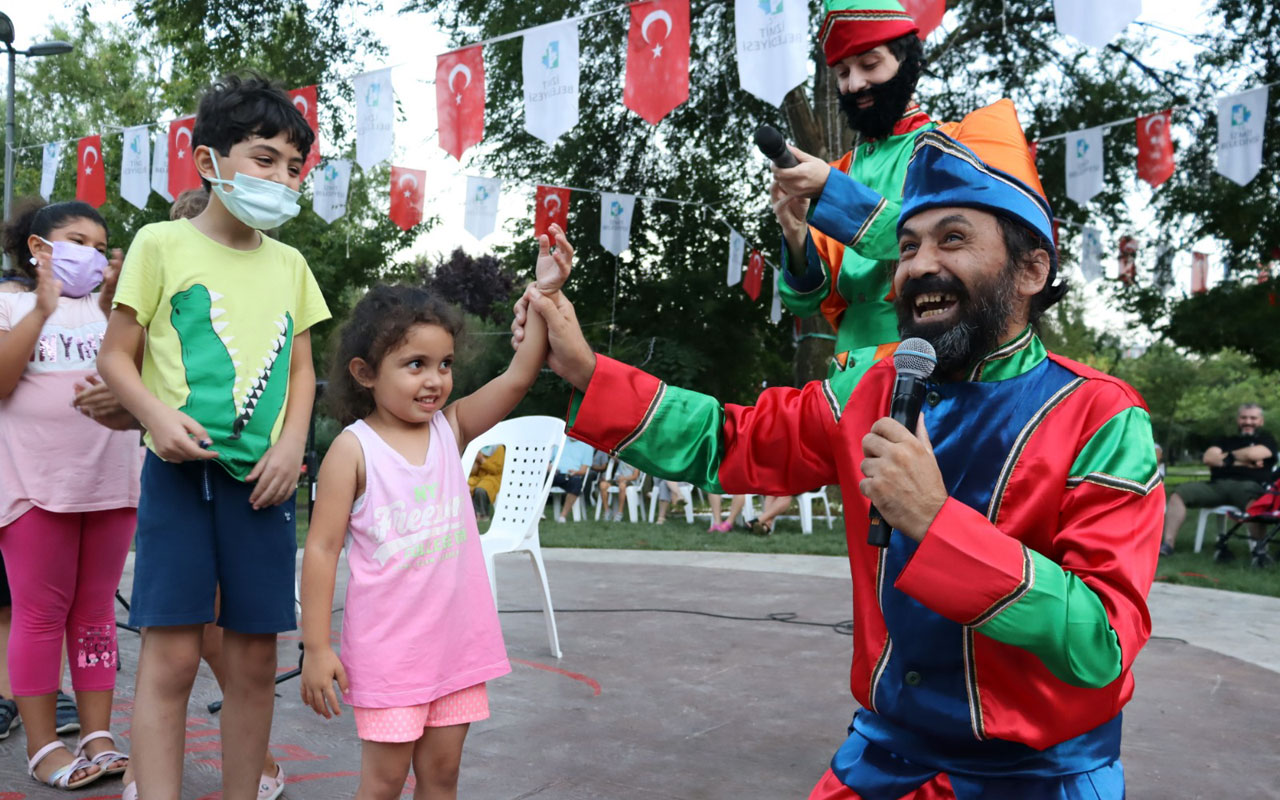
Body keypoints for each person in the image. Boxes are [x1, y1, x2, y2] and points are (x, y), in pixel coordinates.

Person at [519, 100, 1162, 798]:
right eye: (908, 246)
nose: (920, 266)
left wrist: (936, 522)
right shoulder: (871, 390)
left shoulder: (1103, 416)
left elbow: (1102, 640)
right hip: (883, 761)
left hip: (1041, 777)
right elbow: (729, 441)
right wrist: (586, 372)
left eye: (952, 240)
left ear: (1032, 271)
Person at [97, 74, 328, 800]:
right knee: (168, 662)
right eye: (264, 159)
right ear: (208, 163)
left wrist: (293, 446)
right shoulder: (159, 243)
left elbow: (303, 373)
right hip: (178, 480)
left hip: (265, 487)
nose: (281, 178)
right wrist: (156, 418)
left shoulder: (290, 264)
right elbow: (115, 355)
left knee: (255, 663)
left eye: (293, 167)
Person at [297, 225, 571, 799]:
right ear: (365, 373)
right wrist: (317, 647)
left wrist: (544, 295)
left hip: (458, 648)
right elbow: (321, 551)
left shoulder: (453, 427)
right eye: (415, 364)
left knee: (442, 776)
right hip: (390, 657)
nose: (434, 379)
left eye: (444, 364)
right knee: (384, 783)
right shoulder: (352, 451)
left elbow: (519, 376)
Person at [0, 200, 138, 790]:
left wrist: (115, 310)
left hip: (110, 483)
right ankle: (42, 745)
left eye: (98, 242)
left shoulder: (112, 312)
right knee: (38, 614)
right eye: (75, 238)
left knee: (95, 613)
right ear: (39, 248)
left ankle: (96, 734)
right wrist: (41, 310)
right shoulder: (9, 303)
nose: (90, 250)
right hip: (35, 487)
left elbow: (140, 378)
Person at [773, 0, 937, 378]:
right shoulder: (840, 170)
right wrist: (795, 232)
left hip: (921, 363)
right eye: (843, 72)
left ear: (906, 63)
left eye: (870, 64)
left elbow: (933, 243)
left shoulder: (943, 148)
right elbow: (806, 301)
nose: (855, 84)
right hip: (846, 372)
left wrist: (830, 189)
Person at [1160, 403, 1276, 555]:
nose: (1248, 422)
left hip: (1249, 486)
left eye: (1253, 418)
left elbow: (1254, 454)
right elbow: (1209, 458)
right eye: (1244, 418)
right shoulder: (1224, 439)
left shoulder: (1267, 439)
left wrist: (1228, 458)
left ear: (1260, 421)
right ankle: (1167, 545)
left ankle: (1259, 551)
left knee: (1257, 504)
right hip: (1216, 486)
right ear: (1238, 420)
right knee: (1179, 494)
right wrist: (1245, 460)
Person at [551, 438, 597, 523]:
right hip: (554, 474)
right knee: (539, 480)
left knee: (576, 483)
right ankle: (537, 513)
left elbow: (583, 470)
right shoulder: (559, 442)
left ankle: (562, 516)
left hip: (572, 476)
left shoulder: (587, 447)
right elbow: (547, 462)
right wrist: (551, 469)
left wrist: (576, 472)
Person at [468, 445, 505, 521]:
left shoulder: (499, 448)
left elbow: (496, 470)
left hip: (493, 478)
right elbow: (474, 472)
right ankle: (467, 513)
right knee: (465, 486)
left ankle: (483, 515)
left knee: (481, 490)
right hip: (478, 477)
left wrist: (482, 460)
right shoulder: (480, 446)